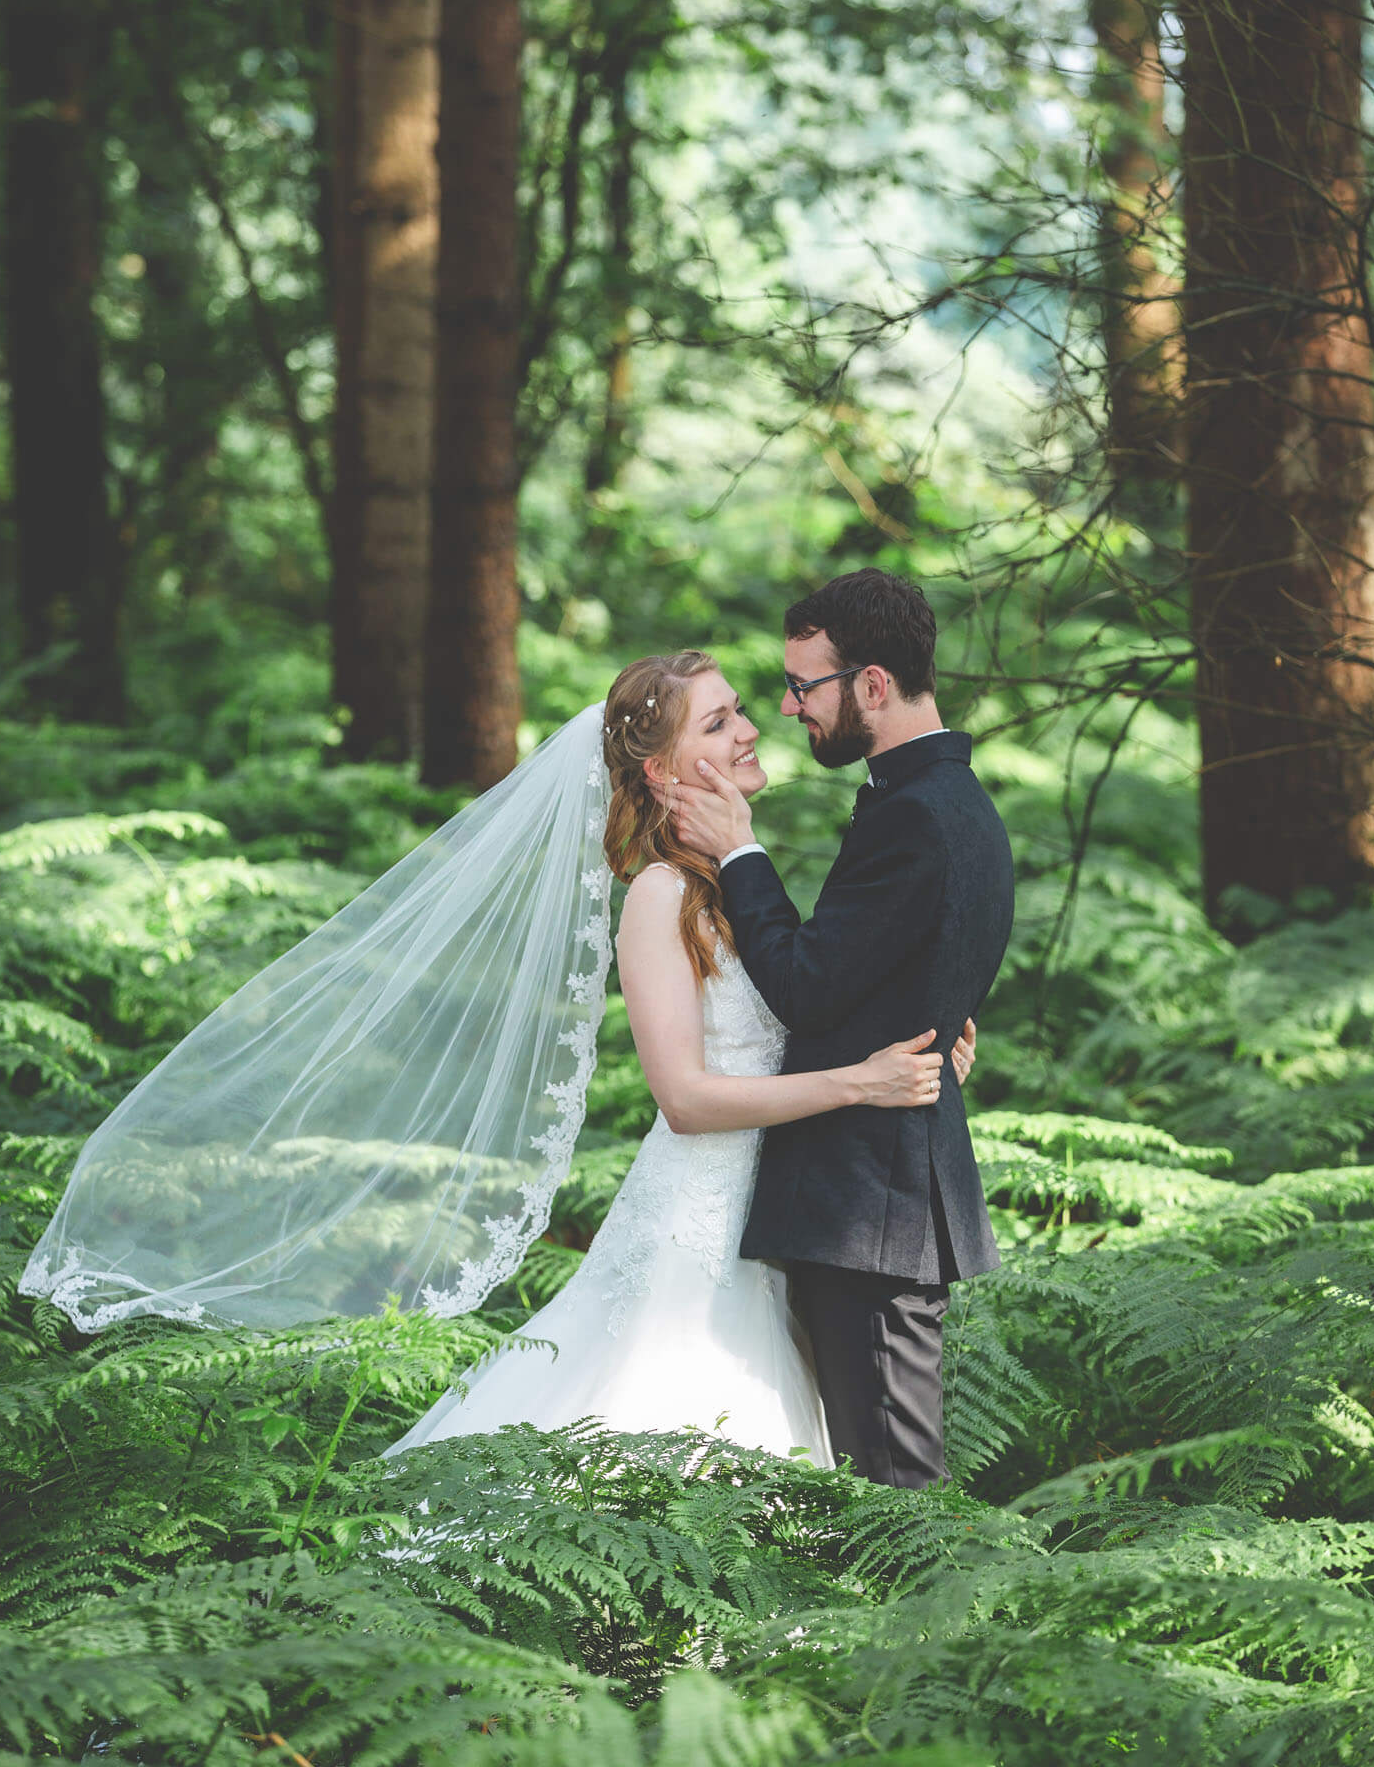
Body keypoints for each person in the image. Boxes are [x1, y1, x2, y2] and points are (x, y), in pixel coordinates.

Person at [386, 649, 977, 1465]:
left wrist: (918, 1048)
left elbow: (802, 1011)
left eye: (737, 710)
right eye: (719, 721)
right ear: (663, 773)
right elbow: (686, 1100)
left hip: (776, 1219)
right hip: (694, 1227)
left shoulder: (739, 884)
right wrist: (859, 1082)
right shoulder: (659, 895)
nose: (749, 729)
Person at [657, 570, 1013, 1488]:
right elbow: (906, 974)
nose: (786, 707)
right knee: (871, 1486)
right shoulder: (955, 802)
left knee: (897, 1501)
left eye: (804, 685)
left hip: (869, 1209)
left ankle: (930, 1638)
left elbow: (809, 988)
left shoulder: (915, 817)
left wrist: (739, 852)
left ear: (873, 685)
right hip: (871, 1201)